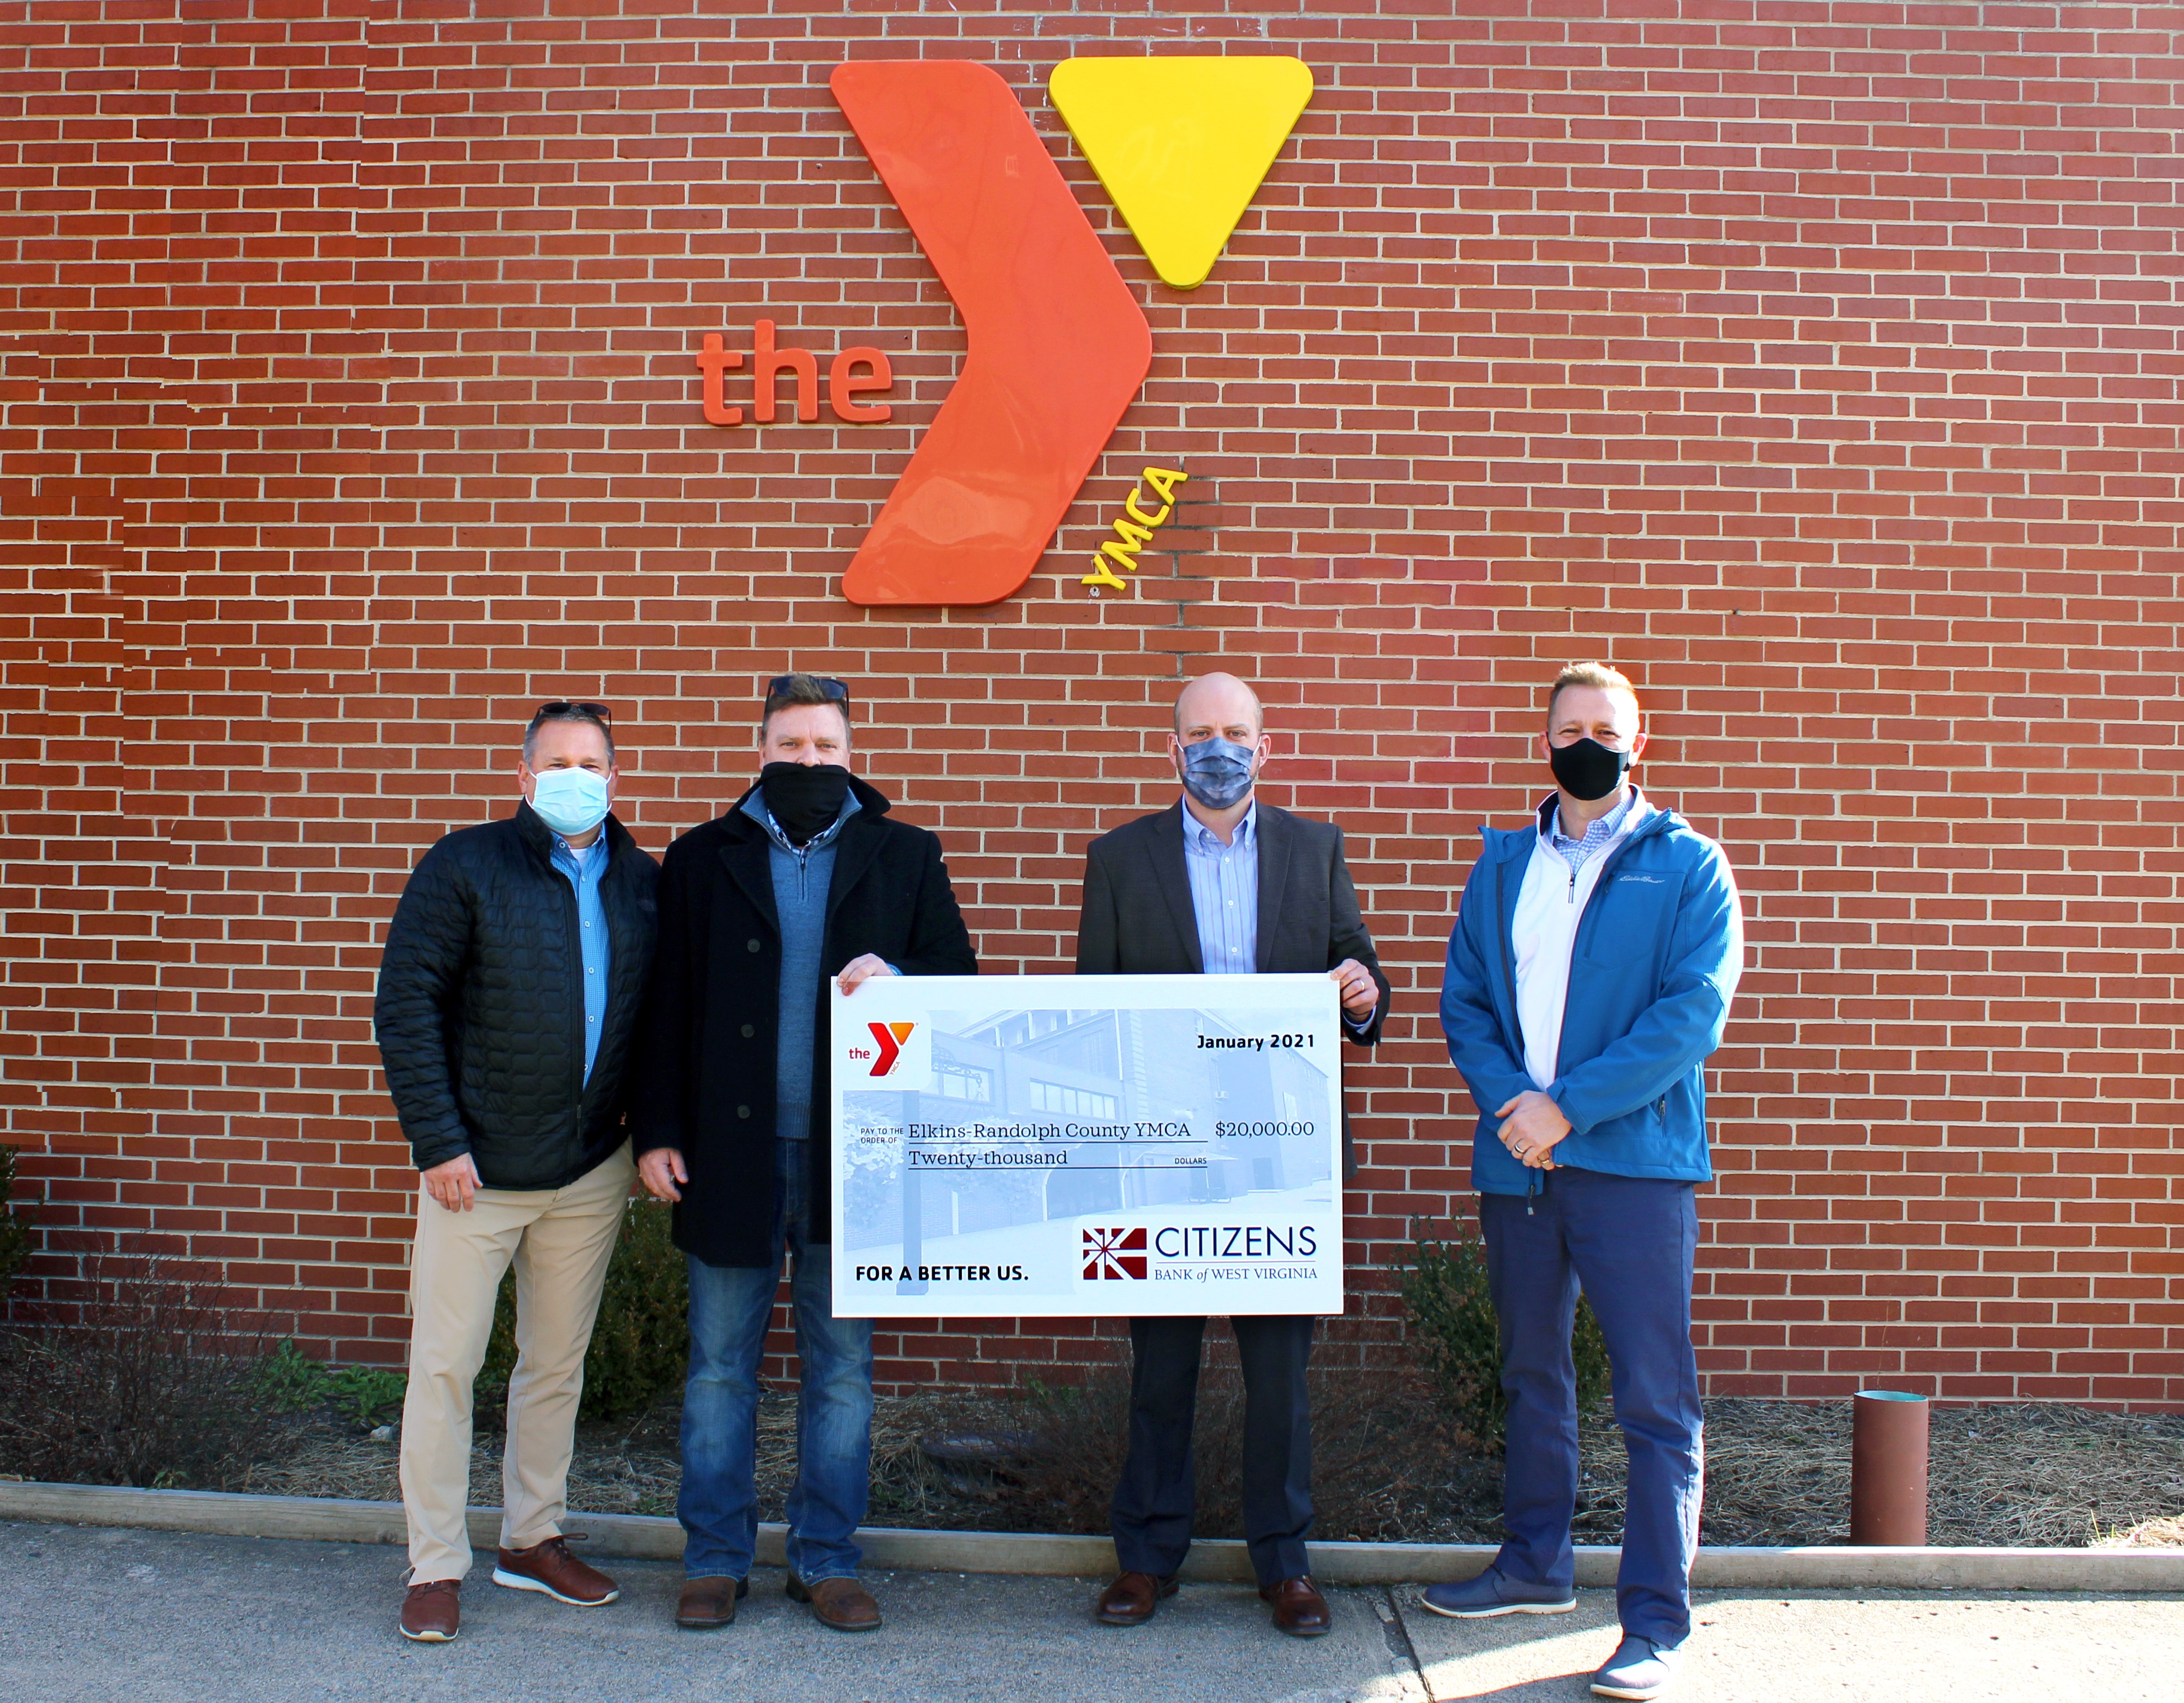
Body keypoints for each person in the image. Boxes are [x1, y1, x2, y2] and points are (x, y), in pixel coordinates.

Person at [633, 672, 977, 1634]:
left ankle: (826, 1559)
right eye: (791, 746)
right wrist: (655, 1130)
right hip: (726, 1154)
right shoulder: (702, 857)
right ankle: (714, 1560)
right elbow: (666, 1006)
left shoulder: (905, 854)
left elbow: (958, 985)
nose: (809, 762)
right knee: (716, 1372)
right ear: (762, 750)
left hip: (855, 1162)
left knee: (841, 1374)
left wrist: (899, 976)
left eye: (825, 747)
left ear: (851, 752)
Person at [1430, 662, 1743, 1701]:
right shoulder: (1504, 863)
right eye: (1571, 727)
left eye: (1607, 728)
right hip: (1520, 1166)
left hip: (1634, 1172)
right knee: (1533, 1374)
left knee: (1655, 1400)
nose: (1587, 742)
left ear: (1637, 744)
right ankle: (1534, 1566)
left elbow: (1689, 1017)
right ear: (1546, 739)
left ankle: (1655, 1622)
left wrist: (1568, 1106)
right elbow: (1465, 999)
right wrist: (1517, 1107)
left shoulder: (1689, 867)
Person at [1075, 671, 1390, 1638]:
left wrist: (1361, 991)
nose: (1220, 748)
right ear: (1172, 751)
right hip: (1160, 1155)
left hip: (1278, 1158)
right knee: (1160, 1369)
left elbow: (1360, 972)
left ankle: (1284, 1566)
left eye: (1237, 732)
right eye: (1201, 734)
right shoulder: (1119, 858)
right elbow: (1095, 1008)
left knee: (1278, 1379)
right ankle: (1146, 1561)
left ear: (1267, 747)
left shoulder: (1313, 847)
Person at [373, 700, 660, 1643]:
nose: (577, 775)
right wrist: (438, 1141)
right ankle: (436, 1564)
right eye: (558, 761)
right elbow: (406, 1004)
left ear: (616, 778)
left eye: (594, 761)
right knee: (446, 1370)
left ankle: (532, 1541)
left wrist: (641, 1138)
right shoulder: (465, 865)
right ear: (525, 776)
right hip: (476, 1173)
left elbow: (659, 1025)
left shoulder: (643, 885)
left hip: (586, 1173)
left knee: (555, 1367)